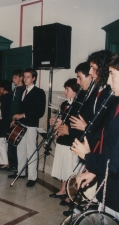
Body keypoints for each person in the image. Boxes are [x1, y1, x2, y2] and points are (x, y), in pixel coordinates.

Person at [71, 53, 119, 220]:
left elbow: (115, 164)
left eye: (112, 74)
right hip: (110, 184)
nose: (108, 81)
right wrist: (94, 172)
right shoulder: (115, 103)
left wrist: (88, 157)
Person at [8, 68, 46, 187]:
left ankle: (32, 177)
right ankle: (21, 172)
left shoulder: (39, 92)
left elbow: (39, 112)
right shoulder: (22, 91)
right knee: (20, 150)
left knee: (31, 151)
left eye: (28, 77)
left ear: (34, 78)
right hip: (21, 124)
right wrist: (15, 119)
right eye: (24, 77)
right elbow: (20, 109)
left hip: (31, 126)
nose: (25, 79)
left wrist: (23, 115)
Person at [49, 78, 83, 206]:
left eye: (67, 89)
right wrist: (55, 122)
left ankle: (71, 194)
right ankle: (63, 189)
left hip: (71, 140)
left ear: (75, 91)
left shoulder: (79, 105)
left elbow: (75, 124)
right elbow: (62, 119)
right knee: (63, 166)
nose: (65, 92)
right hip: (62, 139)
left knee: (70, 167)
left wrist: (65, 127)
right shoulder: (64, 104)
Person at [9, 69, 25, 172]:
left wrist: (15, 119)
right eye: (13, 77)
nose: (13, 79)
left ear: (21, 78)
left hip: (18, 120)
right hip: (12, 118)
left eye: (15, 77)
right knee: (12, 143)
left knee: (18, 143)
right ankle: (14, 163)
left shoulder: (23, 90)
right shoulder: (15, 89)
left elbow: (20, 107)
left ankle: (18, 165)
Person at [0, 80, 13, 170]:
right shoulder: (11, 96)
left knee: (0, 144)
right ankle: (4, 162)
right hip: (9, 122)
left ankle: (5, 163)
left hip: (3, 123)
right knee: (4, 143)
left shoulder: (2, 98)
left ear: (2, 88)